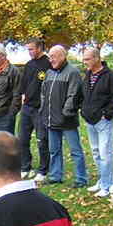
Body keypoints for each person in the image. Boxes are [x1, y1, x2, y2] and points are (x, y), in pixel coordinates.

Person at [81, 47, 113, 198]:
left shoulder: (111, 76)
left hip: (103, 121)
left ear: (96, 58)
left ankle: (107, 186)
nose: (84, 62)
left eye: (87, 59)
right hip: (90, 120)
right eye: (84, 59)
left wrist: (107, 115)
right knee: (95, 153)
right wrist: (83, 110)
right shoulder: (87, 75)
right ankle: (102, 181)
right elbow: (83, 95)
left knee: (105, 153)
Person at [41, 45, 88, 187]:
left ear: (62, 56)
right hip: (51, 119)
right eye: (50, 57)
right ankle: (56, 176)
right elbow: (43, 93)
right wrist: (44, 110)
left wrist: (65, 113)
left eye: (53, 56)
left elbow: (74, 94)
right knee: (54, 150)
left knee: (76, 151)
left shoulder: (72, 72)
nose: (51, 60)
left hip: (67, 120)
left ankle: (81, 178)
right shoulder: (49, 73)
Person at [18, 38, 52, 181]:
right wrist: (22, 97)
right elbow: (24, 84)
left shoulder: (48, 64)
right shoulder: (29, 65)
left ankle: (43, 170)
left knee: (41, 139)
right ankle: (26, 167)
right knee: (22, 138)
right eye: (28, 49)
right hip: (27, 107)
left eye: (31, 49)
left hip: (40, 108)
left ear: (39, 48)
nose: (29, 52)